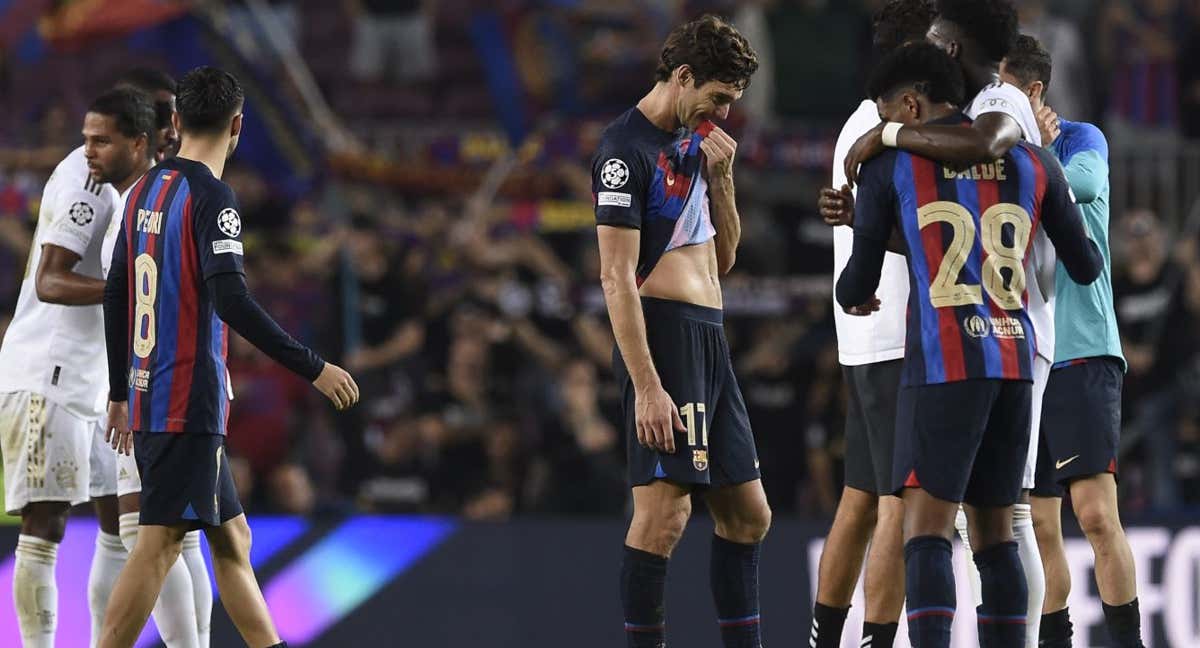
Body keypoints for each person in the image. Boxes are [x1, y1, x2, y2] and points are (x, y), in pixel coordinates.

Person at [838, 42, 1102, 648]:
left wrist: (860, 226)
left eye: (886, 114)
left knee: (926, 533)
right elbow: (1085, 265)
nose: (885, 127)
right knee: (995, 537)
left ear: (910, 103)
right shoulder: (1036, 162)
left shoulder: (891, 165)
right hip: (1014, 364)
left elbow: (857, 283)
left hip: (941, 367)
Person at [98, 66, 359, 648]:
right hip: (186, 399)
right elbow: (233, 301)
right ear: (238, 125)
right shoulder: (213, 198)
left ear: (176, 120)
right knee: (158, 542)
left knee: (231, 537)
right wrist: (313, 367)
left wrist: (121, 390)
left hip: (153, 392)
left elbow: (117, 292)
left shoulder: (143, 188)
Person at [594, 15, 770, 648]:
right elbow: (615, 278)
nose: (721, 113)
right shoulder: (624, 151)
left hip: (710, 334)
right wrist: (646, 386)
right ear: (684, 76)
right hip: (663, 338)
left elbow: (723, 260)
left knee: (748, 516)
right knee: (663, 515)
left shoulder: (697, 146)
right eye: (718, 98)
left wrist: (723, 180)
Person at [1001, 35, 1146, 648]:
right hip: (1028, 351)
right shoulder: (998, 154)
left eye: (1003, 90)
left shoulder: (1082, 140)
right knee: (1038, 523)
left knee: (1094, 514)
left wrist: (1028, 148)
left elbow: (1079, 187)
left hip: (1084, 348)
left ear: (1033, 92)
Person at [0, 87, 155, 648]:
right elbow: (50, 280)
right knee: (47, 524)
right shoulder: (86, 183)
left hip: (98, 382)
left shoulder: (137, 187)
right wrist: (133, 294)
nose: (88, 150)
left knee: (123, 524)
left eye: (100, 140)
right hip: (50, 373)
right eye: (87, 138)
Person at [811, 3, 935, 647]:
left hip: (862, 337)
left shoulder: (858, 122)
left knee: (858, 500)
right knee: (900, 502)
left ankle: (823, 639)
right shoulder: (892, 126)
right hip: (893, 333)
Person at [102, 69, 216, 648]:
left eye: (172, 113)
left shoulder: (148, 195)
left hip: (160, 385)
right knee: (181, 536)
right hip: (163, 382)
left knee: (146, 533)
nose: (168, 129)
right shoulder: (173, 192)